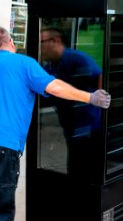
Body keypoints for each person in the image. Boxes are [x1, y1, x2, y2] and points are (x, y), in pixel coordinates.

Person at [0, 26, 111, 221]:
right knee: (2, 210)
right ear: (10, 43)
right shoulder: (23, 62)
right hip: (2, 146)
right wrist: (90, 98)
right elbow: (54, 87)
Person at [40, 27, 102, 177]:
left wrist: (97, 104)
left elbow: (100, 76)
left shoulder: (75, 58)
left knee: (82, 168)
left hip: (87, 127)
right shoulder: (51, 66)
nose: (40, 47)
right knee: (74, 166)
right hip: (71, 127)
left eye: (41, 42)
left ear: (55, 41)